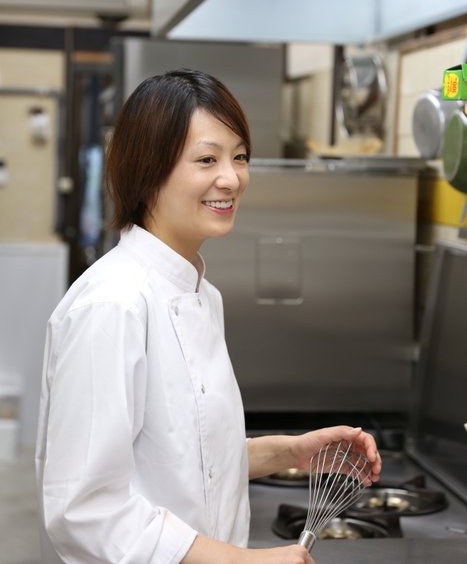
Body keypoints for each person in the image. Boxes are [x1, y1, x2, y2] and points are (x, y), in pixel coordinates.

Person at [36, 69, 381, 564]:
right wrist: (248, 561)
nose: (231, 178)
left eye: (239, 156)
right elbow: (85, 510)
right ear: (148, 169)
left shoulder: (202, 294)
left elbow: (182, 457)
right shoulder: (112, 305)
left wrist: (290, 453)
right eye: (207, 159)